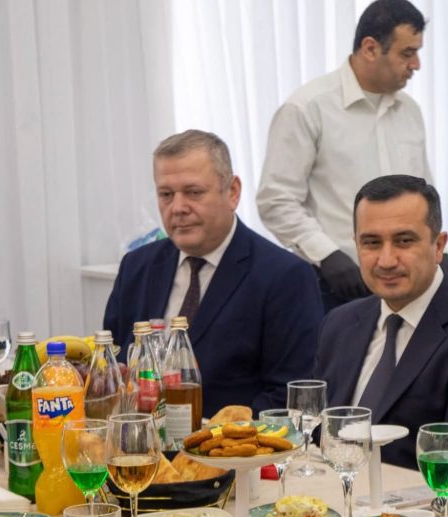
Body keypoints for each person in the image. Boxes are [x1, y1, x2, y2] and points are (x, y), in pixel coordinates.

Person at [314, 175, 448, 484]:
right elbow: (318, 435)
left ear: (439, 246)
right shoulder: (339, 323)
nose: (386, 260)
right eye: (371, 242)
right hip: (326, 496)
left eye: (404, 241)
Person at [103, 130, 322, 418]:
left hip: (232, 442)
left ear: (232, 192)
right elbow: (113, 366)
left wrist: (214, 435)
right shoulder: (137, 267)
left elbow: (290, 396)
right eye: (166, 195)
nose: (178, 208)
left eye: (193, 192)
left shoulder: (285, 276)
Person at [257, 0, 436, 312]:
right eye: (407, 53)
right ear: (370, 48)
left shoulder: (410, 111)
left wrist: (436, 250)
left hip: (407, 284)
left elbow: (424, 193)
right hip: (336, 285)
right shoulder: (307, 108)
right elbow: (276, 199)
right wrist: (326, 254)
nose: (416, 64)